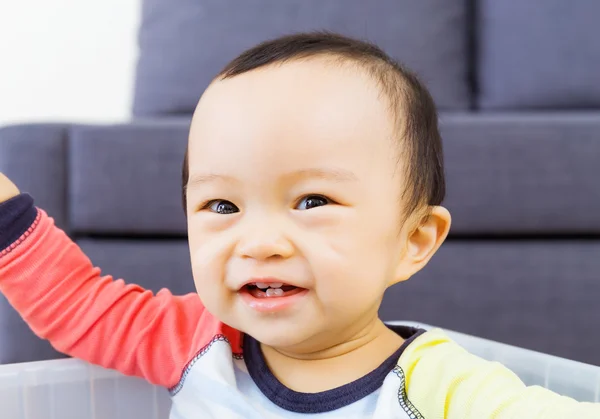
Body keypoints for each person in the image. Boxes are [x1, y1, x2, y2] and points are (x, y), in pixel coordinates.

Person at [0, 32, 597, 418]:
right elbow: (73, 302)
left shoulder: (441, 387)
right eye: (223, 208)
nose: (259, 243)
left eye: (312, 201)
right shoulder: (194, 344)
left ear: (413, 241)